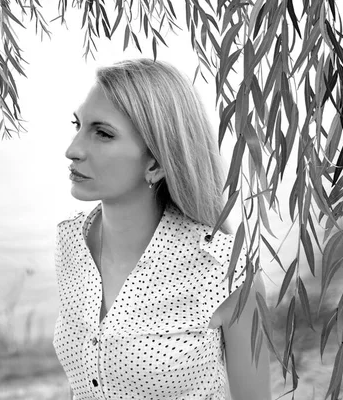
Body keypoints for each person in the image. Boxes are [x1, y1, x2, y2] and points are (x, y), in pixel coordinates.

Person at [53, 59, 271, 400]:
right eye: (78, 125)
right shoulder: (71, 242)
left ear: (155, 163)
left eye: (102, 133)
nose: (73, 150)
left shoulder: (225, 269)